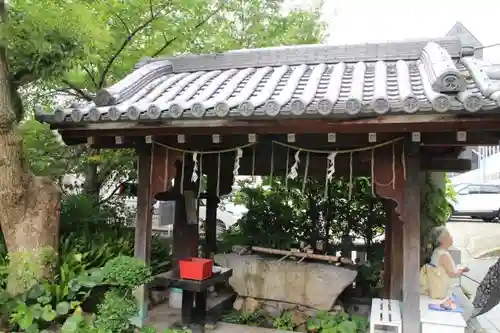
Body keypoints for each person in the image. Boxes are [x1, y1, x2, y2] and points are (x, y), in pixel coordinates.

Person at [429, 226, 484, 333]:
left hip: (442, 287)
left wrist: (457, 270)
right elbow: (453, 274)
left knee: (468, 311)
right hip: (450, 289)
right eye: (449, 235)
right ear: (443, 239)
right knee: (468, 308)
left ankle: (472, 329)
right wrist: (462, 270)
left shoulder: (437, 251)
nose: (451, 237)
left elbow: (447, 270)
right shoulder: (444, 254)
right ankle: (456, 329)